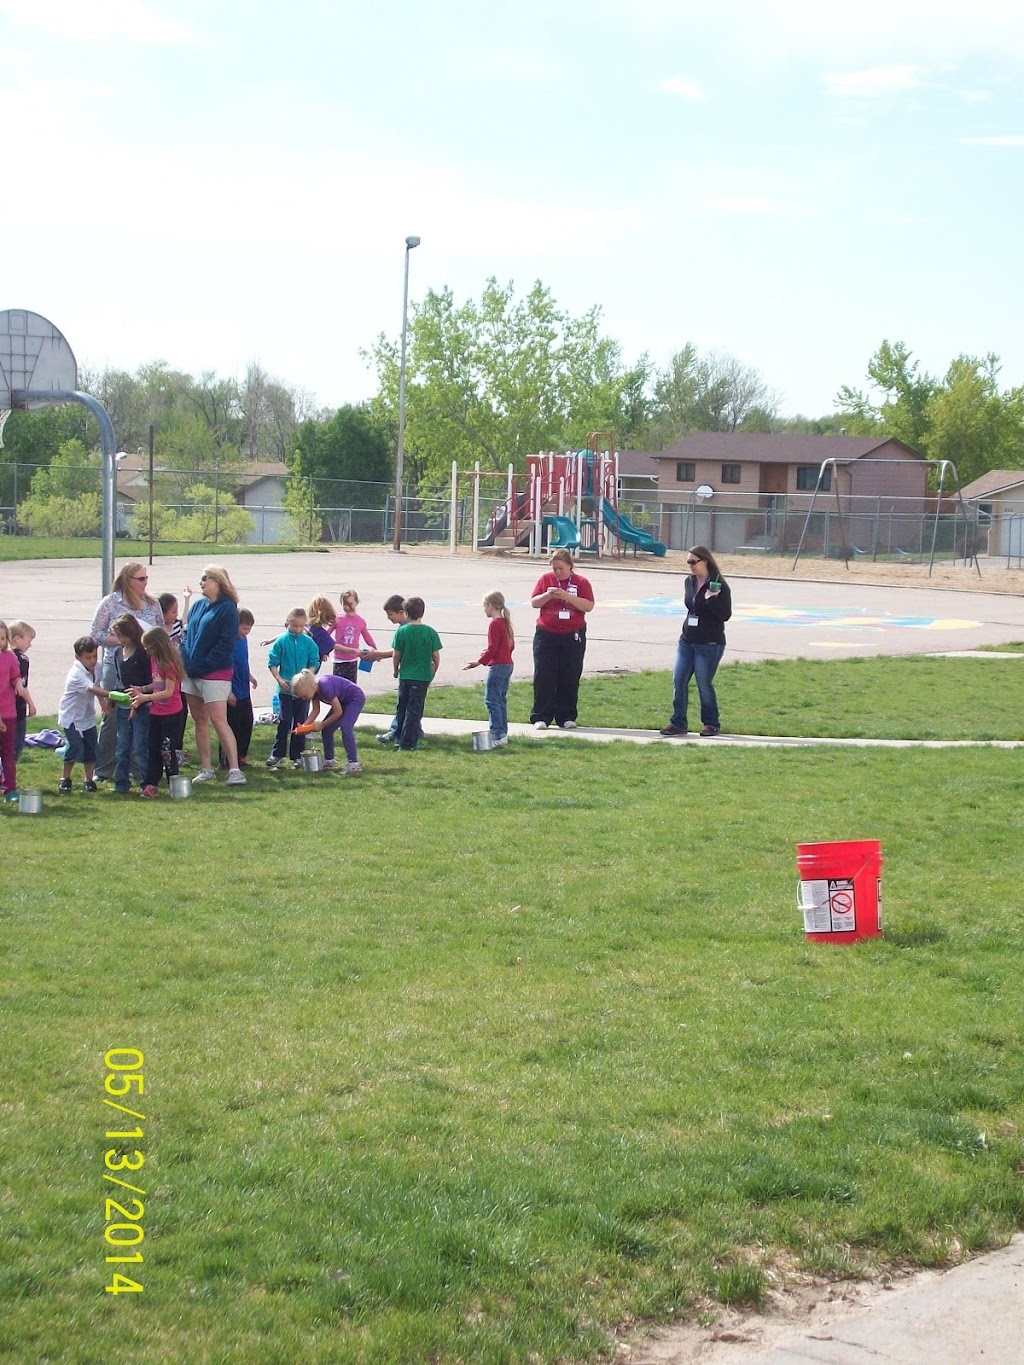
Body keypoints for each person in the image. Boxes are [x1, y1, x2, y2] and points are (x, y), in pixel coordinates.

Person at [89, 562, 163, 780]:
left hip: (145, 663)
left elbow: (160, 630)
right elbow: (96, 633)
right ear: (127, 580)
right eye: (140, 579)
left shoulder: (151, 603)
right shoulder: (112, 602)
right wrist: (124, 641)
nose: (145, 582)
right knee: (113, 714)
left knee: (141, 714)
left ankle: (136, 767)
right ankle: (104, 768)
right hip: (117, 661)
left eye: (146, 578)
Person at [179, 565, 246, 785]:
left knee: (218, 719)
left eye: (205, 578)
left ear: (217, 581)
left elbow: (225, 644)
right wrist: (186, 661)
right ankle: (206, 768)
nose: (201, 582)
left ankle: (234, 769)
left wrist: (205, 664)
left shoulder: (228, 609)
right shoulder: (198, 605)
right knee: (199, 719)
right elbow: (187, 634)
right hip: (191, 671)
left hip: (215, 672)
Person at [660, 545, 732, 738]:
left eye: (693, 562)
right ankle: (678, 722)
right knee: (679, 679)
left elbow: (725, 615)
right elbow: (691, 606)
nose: (690, 566)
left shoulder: (719, 584)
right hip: (687, 640)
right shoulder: (689, 582)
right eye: (688, 562)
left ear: (705, 561)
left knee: (703, 682)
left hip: (709, 643)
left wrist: (712, 599)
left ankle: (711, 723)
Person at [529, 548, 594, 730]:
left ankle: (566, 716)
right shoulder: (545, 580)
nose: (557, 572)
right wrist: (548, 595)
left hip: (572, 634)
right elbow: (534, 602)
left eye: (561, 569)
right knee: (544, 675)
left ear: (570, 566)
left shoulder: (581, 582)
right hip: (547, 632)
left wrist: (568, 596)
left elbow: (588, 606)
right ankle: (541, 716)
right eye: (554, 568)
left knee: (569, 674)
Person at [129, 627, 184, 798]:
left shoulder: (169, 664)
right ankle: (151, 783)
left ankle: (173, 781)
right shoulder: (155, 660)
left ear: (158, 645)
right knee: (153, 748)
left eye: (149, 647)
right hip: (156, 713)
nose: (146, 651)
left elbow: (168, 691)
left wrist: (145, 698)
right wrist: (142, 689)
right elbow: (157, 684)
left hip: (171, 713)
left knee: (166, 749)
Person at [266, 608, 320, 769]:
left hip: (303, 691)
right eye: (294, 626)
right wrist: (278, 678)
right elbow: (272, 662)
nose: (297, 630)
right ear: (288, 623)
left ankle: (297, 754)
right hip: (285, 689)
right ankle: (277, 753)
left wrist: (307, 676)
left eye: (300, 627)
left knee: (300, 721)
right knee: (284, 720)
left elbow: (314, 661)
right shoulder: (282, 640)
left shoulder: (309, 642)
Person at [56, 635, 110, 793]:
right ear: (78, 657)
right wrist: (112, 695)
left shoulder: (97, 668)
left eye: (94, 656)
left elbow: (97, 683)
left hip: (87, 716)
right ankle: (65, 778)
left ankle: (88, 780)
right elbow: (92, 688)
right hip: (71, 717)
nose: (92, 660)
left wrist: (102, 703)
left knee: (91, 748)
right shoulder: (76, 673)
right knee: (75, 746)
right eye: (88, 657)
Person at [462, 591, 514, 747]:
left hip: (497, 666)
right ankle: (503, 732)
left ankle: (497, 734)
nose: (484, 609)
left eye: (484, 606)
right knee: (500, 700)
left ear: (490, 606)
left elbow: (492, 648)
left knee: (491, 700)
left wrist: (479, 661)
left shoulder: (495, 624)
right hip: (507, 664)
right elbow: (507, 646)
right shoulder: (505, 622)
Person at [290, 668, 365, 774]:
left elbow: (338, 712)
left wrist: (322, 724)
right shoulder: (313, 691)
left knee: (345, 726)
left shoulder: (325, 686)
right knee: (327, 730)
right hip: (342, 701)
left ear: (311, 686)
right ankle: (329, 761)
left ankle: (354, 763)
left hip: (354, 698)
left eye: (304, 696)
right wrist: (304, 726)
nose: (303, 699)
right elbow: (316, 711)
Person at [391, 597, 441, 751]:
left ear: (405, 613)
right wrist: (435, 669)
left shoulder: (402, 631)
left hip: (406, 674)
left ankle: (399, 736)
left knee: (402, 706)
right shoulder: (430, 632)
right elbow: (436, 655)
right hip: (422, 677)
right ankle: (408, 743)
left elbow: (396, 653)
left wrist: (395, 669)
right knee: (414, 710)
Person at [111, 614, 152, 794]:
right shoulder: (118, 652)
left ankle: (146, 782)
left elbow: (152, 682)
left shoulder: (142, 654)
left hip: (141, 705)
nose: (120, 640)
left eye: (122, 636)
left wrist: (141, 691)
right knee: (122, 747)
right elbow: (120, 679)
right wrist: (113, 695)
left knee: (139, 747)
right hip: (123, 705)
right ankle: (121, 783)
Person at [0, 619, 34, 800]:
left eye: (3, 638)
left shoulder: (10, 657)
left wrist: (18, 684)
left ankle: (10, 788)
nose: (1, 642)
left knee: (9, 752)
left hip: (9, 712)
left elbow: (15, 676)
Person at [219, 608, 257, 770]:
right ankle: (227, 758)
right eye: (244, 628)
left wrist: (250, 676)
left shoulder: (243, 640)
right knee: (231, 725)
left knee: (246, 723)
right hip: (231, 690)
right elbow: (222, 667)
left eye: (249, 629)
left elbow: (243, 661)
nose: (246, 632)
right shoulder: (228, 642)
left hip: (244, 689)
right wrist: (227, 691)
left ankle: (241, 755)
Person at [369, 595, 408, 745]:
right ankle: (413, 730)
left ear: (401, 612)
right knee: (411, 704)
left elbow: (397, 652)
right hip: (419, 672)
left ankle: (396, 732)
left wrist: (379, 654)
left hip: (407, 672)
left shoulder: (405, 629)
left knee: (404, 703)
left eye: (390, 614)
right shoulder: (407, 627)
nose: (388, 618)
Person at [332, 588, 377, 681]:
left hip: (352, 660)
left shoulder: (360, 621)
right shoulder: (337, 619)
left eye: (350, 604)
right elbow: (326, 635)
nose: (347, 607)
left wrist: (375, 651)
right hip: (339, 660)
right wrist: (324, 651)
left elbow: (367, 637)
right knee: (338, 687)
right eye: (345, 604)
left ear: (356, 602)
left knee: (351, 687)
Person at [8, 620, 37, 759]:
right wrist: (31, 704)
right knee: (16, 744)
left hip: (4, 707)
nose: (30, 644)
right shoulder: (21, 659)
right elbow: (22, 687)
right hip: (17, 709)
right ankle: (7, 777)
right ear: (17, 639)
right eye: (29, 640)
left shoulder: (4, 657)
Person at [306, 597, 338, 673]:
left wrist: (324, 652)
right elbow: (333, 645)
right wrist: (356, 651)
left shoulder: (305, 627)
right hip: (311, 668)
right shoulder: (320, 632)